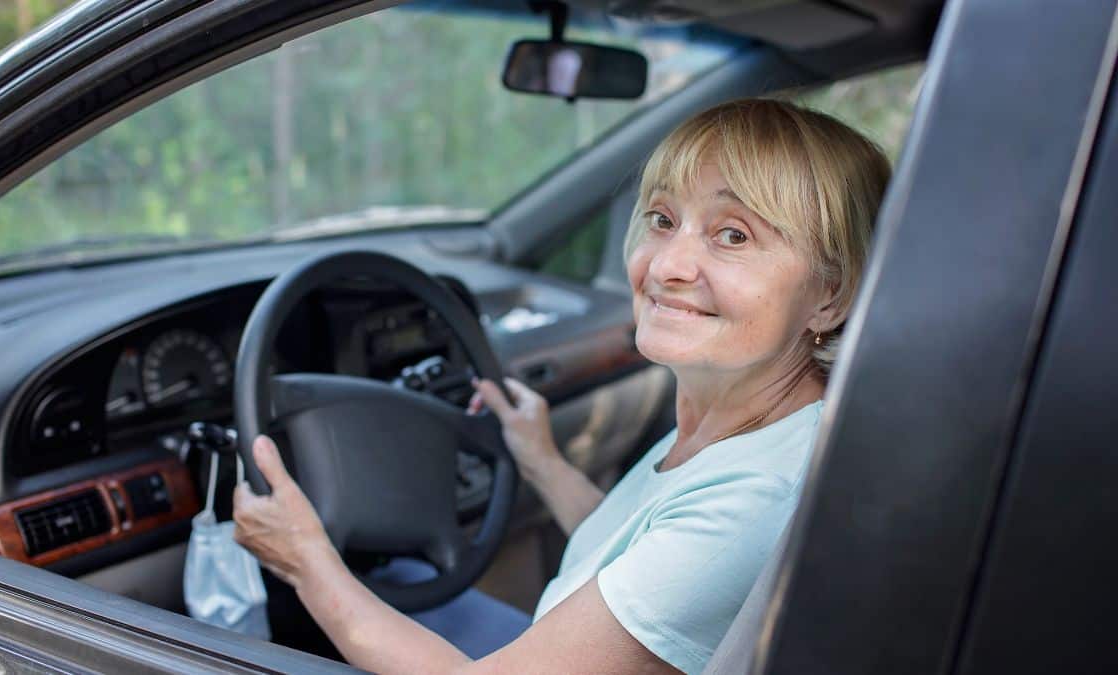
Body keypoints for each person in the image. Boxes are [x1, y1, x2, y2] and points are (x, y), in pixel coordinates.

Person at [231, 98, 891, 674]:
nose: (668, 264)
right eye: (662, 219)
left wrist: (305, 560)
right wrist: (542, 459)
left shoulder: (753, 501)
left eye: (731, 235)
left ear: (829, 296)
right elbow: (643, 553)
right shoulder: (754, 421)